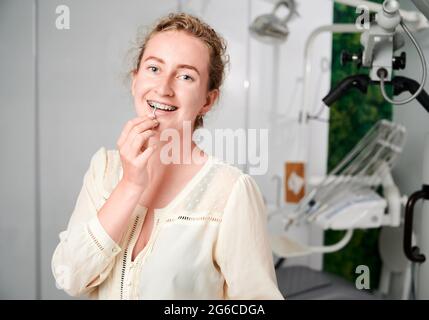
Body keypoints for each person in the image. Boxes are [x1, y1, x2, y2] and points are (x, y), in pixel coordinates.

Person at [51, 12, 284, 300]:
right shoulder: (104, 169)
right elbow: (69, 277)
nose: (163, 88)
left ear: (207, 101)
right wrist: (131, 185)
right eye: (154, 69)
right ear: (135, 81)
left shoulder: (231, 192)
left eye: (185, 76)